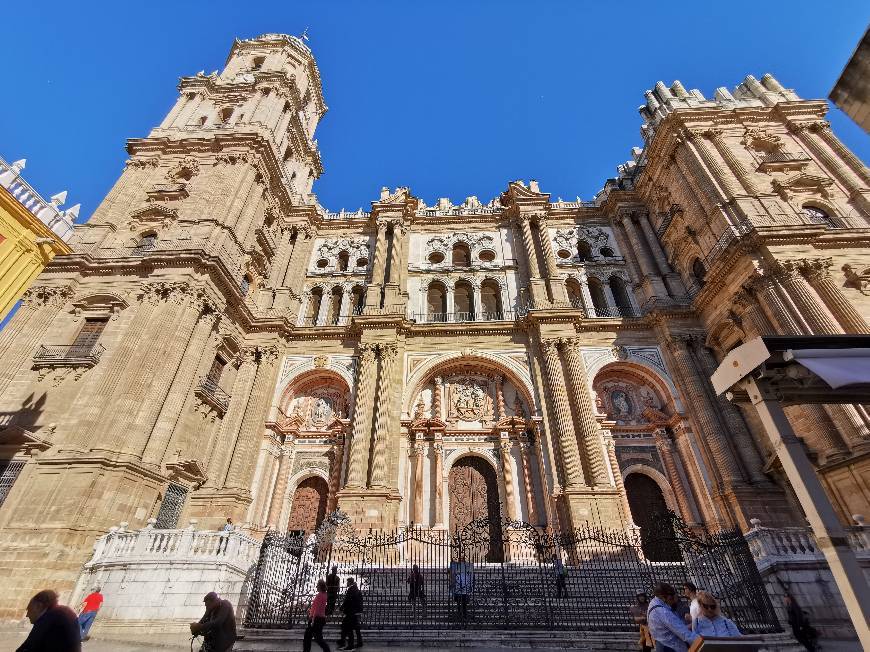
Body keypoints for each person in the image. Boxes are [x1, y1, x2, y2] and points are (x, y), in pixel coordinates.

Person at [16, 589, 81, 652]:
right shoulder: (62, 611)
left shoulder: (50, 617)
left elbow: (29, 644)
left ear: (39, 606)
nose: (27, 615)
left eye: (29, 610)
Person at [647, 582, 699, 652]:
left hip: (662, 644)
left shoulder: (653, 604)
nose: (673, 601)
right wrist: (702, 642)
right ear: (663, 597)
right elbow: (683, 633)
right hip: (670, 647)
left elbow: (671, 628)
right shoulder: (663, 611)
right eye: (671, 598)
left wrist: (689, 626)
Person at [303, 580, 331, 652]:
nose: (316, 587)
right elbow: (317, 607)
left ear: (320, 586)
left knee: (315, 638)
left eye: (317, 585)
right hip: (320, 618)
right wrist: (310, 611)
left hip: (317, 619)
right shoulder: (324, 594)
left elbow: (317, 609)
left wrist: (312, 620)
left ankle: (327, 650)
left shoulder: (319, 595)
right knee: (311, 637)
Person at [337, 577, 363, 651]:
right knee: (355, 628)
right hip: (355, 611)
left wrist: (341, 608)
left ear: (349, 582)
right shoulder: (356, 589)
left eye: (347, 582)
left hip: (351, 611)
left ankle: (349, 645)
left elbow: (347, 600)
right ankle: (359, 642)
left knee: (348, 628)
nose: (346, 583)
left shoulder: (351, 590)